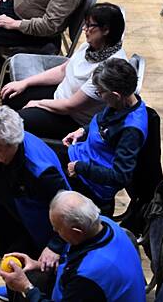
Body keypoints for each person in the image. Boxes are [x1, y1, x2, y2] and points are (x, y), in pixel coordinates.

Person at [0, 107, 70, 301]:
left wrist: (55, 245)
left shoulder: (41, 170)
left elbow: (69, 210)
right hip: (8, 212)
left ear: (11, 144)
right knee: (0, 240)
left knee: (38, 270)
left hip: (42, 225)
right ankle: (14, 287)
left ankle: (29, 289)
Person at [0, 3, 127, 140]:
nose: (84, 29)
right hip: (60, 96)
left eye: (90, 25)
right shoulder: (91, 46)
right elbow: (62, 70)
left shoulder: (109, 69)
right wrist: (24, 83)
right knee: (11, 95)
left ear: (106, 30)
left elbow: (70, 106)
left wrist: (37, 103)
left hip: (74, 119)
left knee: (17, 123)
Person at [0, 191, 145, 301]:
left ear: (76, 231)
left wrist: (27, 288)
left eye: (58, 228)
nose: (54, 231)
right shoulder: (104, 223)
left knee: (24, 287)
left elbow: (83, 274)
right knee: (30, 276)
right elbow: (76, 259)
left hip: (88, 291)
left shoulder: (89, 277)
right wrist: (37, 264)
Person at [51, 58, 148, 215]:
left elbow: (119, 176)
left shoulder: (131, 130)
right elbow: (103, 122)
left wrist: (79, 167)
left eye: (100, 92)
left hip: (89, 182)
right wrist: (83, 130)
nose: (99, 95)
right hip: (80, 156)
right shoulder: (120, 103)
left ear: (115, 95)